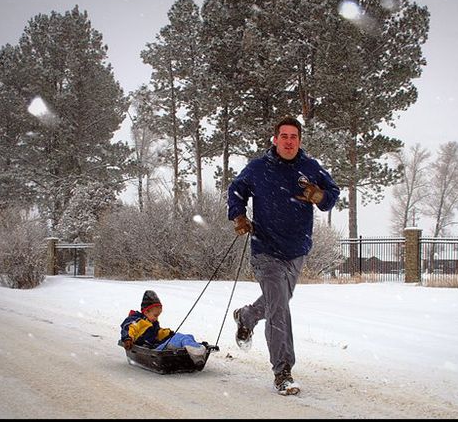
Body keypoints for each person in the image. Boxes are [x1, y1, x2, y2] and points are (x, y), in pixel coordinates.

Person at [227, 115, 340, 395]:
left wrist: (320, 197)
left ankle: (247, 316)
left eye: (294, 137)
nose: (289, 141)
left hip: (297, 249)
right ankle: (283, 371)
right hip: (265, 249)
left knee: (279, 301)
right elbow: (236, 190)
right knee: (279, 309)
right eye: (284, 136)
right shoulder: (258, 168)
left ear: (299, 141)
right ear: (275, 139)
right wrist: (239, 216)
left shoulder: (310, 167)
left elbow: (333, 194)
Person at [120, 290, 207, 366]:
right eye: (155, 315)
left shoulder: (152, 322)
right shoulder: (137, 321)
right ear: (146, 311)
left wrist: (167, 333)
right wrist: (127, 339)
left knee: (187, 336)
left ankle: (195, 349)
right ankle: (197, 355)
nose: (156, 318)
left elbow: (157, 333)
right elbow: (128, 328)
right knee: (179, 338)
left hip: (156, 346)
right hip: (153, 350)